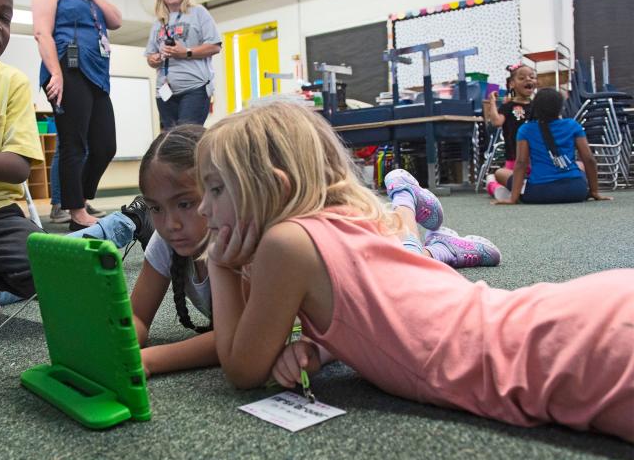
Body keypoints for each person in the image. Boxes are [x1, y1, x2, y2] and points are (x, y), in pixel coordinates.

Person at [197, 101, 633, 441]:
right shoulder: (349, 217)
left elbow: (242, 370)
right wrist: (319, 346)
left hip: (544, 354)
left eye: (215, 189)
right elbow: (369, 309)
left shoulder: (286, 244)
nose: (203, 208)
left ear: (276, 185)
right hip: (547, 316)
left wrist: (219, 263)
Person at [132, 124, 498, 378]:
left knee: (408, 257)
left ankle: (406, 201)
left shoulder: (257, 246)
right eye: (156, 208)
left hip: (373, 264)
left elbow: (238, 343)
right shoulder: (168, 243)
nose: (170, 224)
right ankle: (420, 224)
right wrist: (119, 344)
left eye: (184, 203)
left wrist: (149, 360)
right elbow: (137, 318)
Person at [32, 0, 121, 231]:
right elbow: (42, 33)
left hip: (96, 74)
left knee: (105, 145)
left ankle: (79, 199)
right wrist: (56, 74)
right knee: (74, 145)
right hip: (67, 72)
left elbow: (116, 20)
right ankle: (77, 212)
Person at [494, 87, 609, 205]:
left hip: (540, 193)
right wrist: (594, 191)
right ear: (561, 107)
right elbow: (589, 159)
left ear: (535, 107)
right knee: (579, 165)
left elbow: (521, 163)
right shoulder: (572, 125)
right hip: (576, 191)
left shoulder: (526, 129)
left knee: (500, 173)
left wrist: (513, 199)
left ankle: (505, 191)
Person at [145, 0, 222, 129]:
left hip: (194, 88)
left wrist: (186, 52)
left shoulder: (198, 13)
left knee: (185, 137)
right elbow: (150, 57)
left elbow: (215, 46)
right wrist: (155, 58)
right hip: (165, 91)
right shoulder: (158, 22)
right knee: (170, 141)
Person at [483, 64, 536, 199]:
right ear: (512, 84)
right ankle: (495, 186)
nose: (528, 80)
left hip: (535, 160)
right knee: (505, 179)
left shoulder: (536, 106)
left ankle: (498, 184)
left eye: (532, 77)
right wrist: (493, 103)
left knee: (523, 184)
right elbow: (496, 122)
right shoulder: (508, 106)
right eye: (522, 78)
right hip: (514, 159)